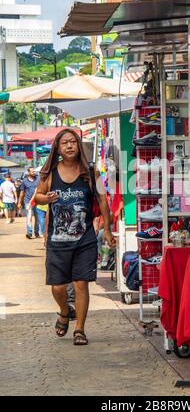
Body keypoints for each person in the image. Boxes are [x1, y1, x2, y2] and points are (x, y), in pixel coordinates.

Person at [34, 129, 115, 346]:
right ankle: (64, 310)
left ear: (79, 145)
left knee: (81, 284)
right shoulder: (49, 173)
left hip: (85, 240)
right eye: (64, 143)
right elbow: (37, 197)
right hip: (57, 241)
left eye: (73, 142)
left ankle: (80, 328)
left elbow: (103, 200)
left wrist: (106, 229)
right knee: (58, 287)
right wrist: (47, 198)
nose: (69, 146)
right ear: (58, 149)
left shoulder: (91, 171)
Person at [18, 167, 40, 239]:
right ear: (29, 172)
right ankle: (29, 233)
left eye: (34, 171)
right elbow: (22, 192)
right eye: (32, 171)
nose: (34, 172)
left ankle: (36, 233)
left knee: (37, 218)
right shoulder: (24, 181)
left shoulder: (38, 179)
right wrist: (19, 202)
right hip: (28, 201)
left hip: (37, 201)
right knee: (29, 216)